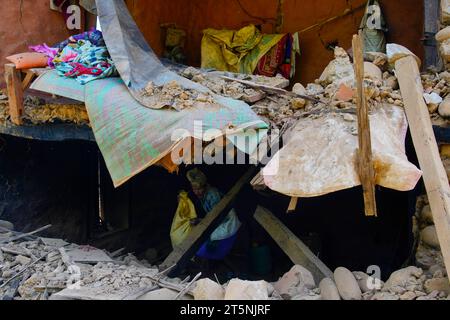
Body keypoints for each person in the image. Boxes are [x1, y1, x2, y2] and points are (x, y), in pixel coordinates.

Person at [186, 168, 241, 261]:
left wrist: (208, 233)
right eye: (194, 189)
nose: (196, 192)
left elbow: (218, 216)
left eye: (199, 189)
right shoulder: (203, 196)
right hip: (219, 222)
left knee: (203, 245)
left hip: (227, 224)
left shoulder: (212, 195)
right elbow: (211, 216)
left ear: (204, 186)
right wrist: (200, 221)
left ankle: (210, 260)